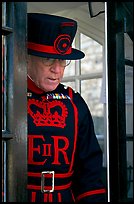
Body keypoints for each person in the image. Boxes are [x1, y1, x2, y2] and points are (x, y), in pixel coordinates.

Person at [27, 13, 106, 202]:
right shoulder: (7, 100)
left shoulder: (75, 103)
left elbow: (89, 173)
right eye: (48, 60)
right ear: (26, 58)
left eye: (63, 61)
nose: (57, 69)